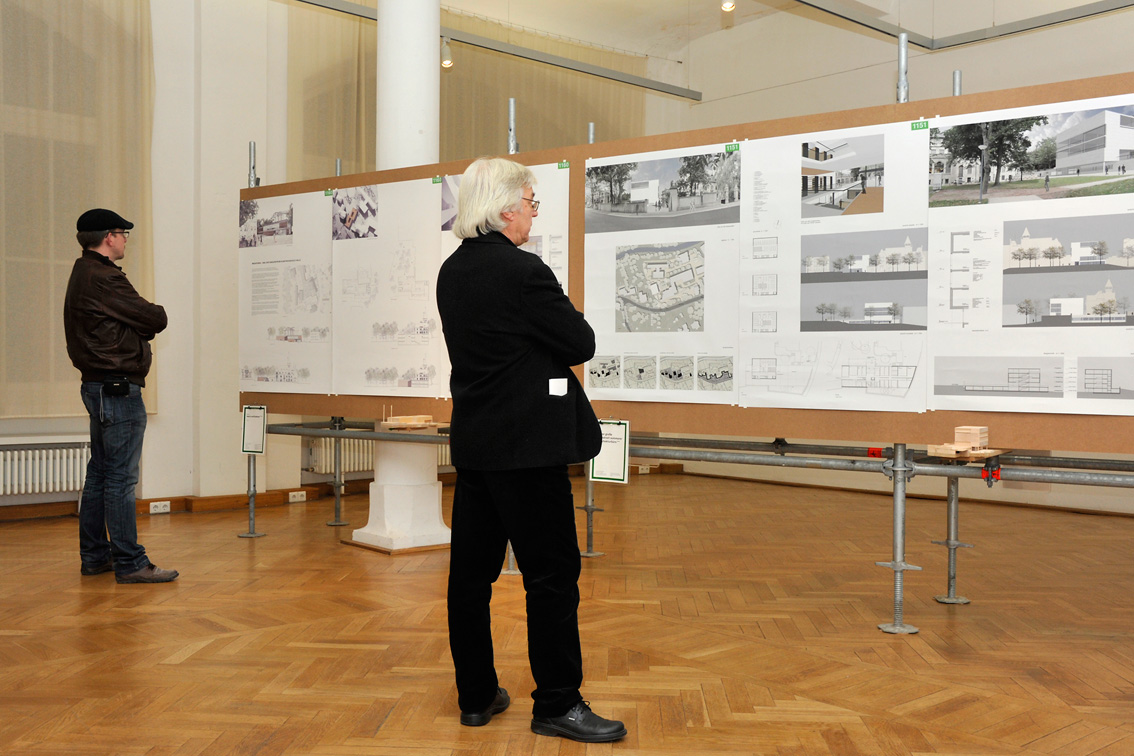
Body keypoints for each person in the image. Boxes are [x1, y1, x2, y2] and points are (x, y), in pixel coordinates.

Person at [436, 158, 626, 743]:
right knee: (550, 578)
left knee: (471, 578)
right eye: (532, 203)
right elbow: (580, 341)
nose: (534, 214)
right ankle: (558, 704)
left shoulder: (451, 271)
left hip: (476, 449)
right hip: (529, 452)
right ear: (505, 208)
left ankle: (475, 695)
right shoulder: (522, 271)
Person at [64, 208, 178, 584]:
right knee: (120, 479)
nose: (127, 238)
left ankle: (96, 557)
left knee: (99, 474)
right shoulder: (104, 277)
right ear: (108, 237)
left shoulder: (84, 271)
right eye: (123, 233)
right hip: (116, 388)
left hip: (98, 386)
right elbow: (154, 317)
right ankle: (130, 562)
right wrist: (145, 320)